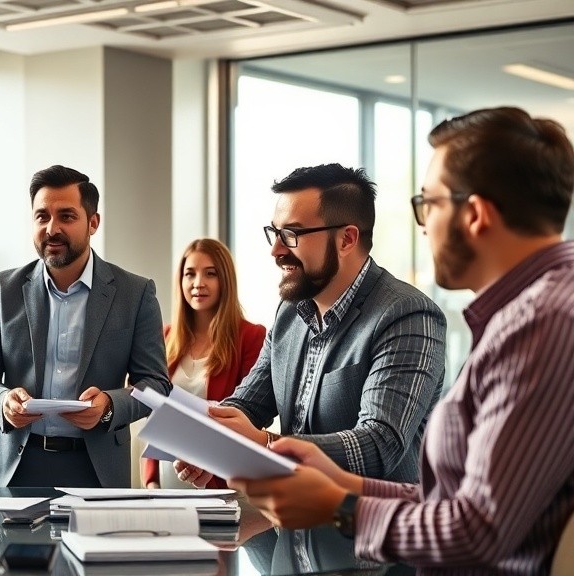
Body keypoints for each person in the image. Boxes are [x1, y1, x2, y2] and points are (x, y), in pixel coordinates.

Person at [229, 106, 574, 574]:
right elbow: (451, 501)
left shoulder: (545, 324)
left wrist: (341, 508)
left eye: (427, 204)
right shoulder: (527, 316)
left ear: (474, 215)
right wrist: (340, 488)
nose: (423, 224)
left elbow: (478, 532)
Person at [177, 163, 447, 487]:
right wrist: (212, 441)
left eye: (291, 235)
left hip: (370, 531)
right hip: (295, 530)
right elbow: (247, 404)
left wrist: (265, 445)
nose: (276, 250)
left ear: (347, 239)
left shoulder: (407, 315)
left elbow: (378, 445)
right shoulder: (289, 314)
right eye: (274, 233)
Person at [0, 164, 172, 488]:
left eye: (66, 217)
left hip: (95, 470)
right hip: (12, 468)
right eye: (42, 216)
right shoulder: (5, 289)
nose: (51, 228)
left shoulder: (135, 293)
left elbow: (156, 384)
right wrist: (2, 402)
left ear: (93, 222)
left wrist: (109, 405)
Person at [141, 238, 266, 489]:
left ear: (225, 281)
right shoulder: (165, 337)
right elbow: (155, 414)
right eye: (190, 274)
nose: (198, 283)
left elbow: (250, 417)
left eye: (210, 274)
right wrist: (151, 480)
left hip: (219, 483)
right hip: (167, 481)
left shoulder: (251, 337)